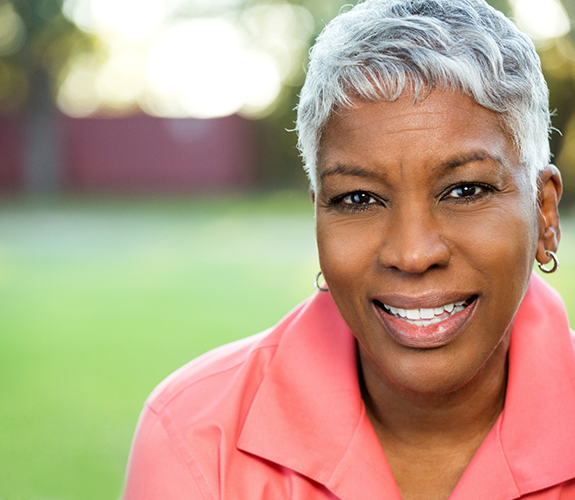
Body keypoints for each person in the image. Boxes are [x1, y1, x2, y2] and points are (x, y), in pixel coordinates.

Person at [122, 0, 574, 498]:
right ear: (318, 214)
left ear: (545, 214)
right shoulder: (197, 435)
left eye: (465, 190)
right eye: (358, 198)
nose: (412, 252)